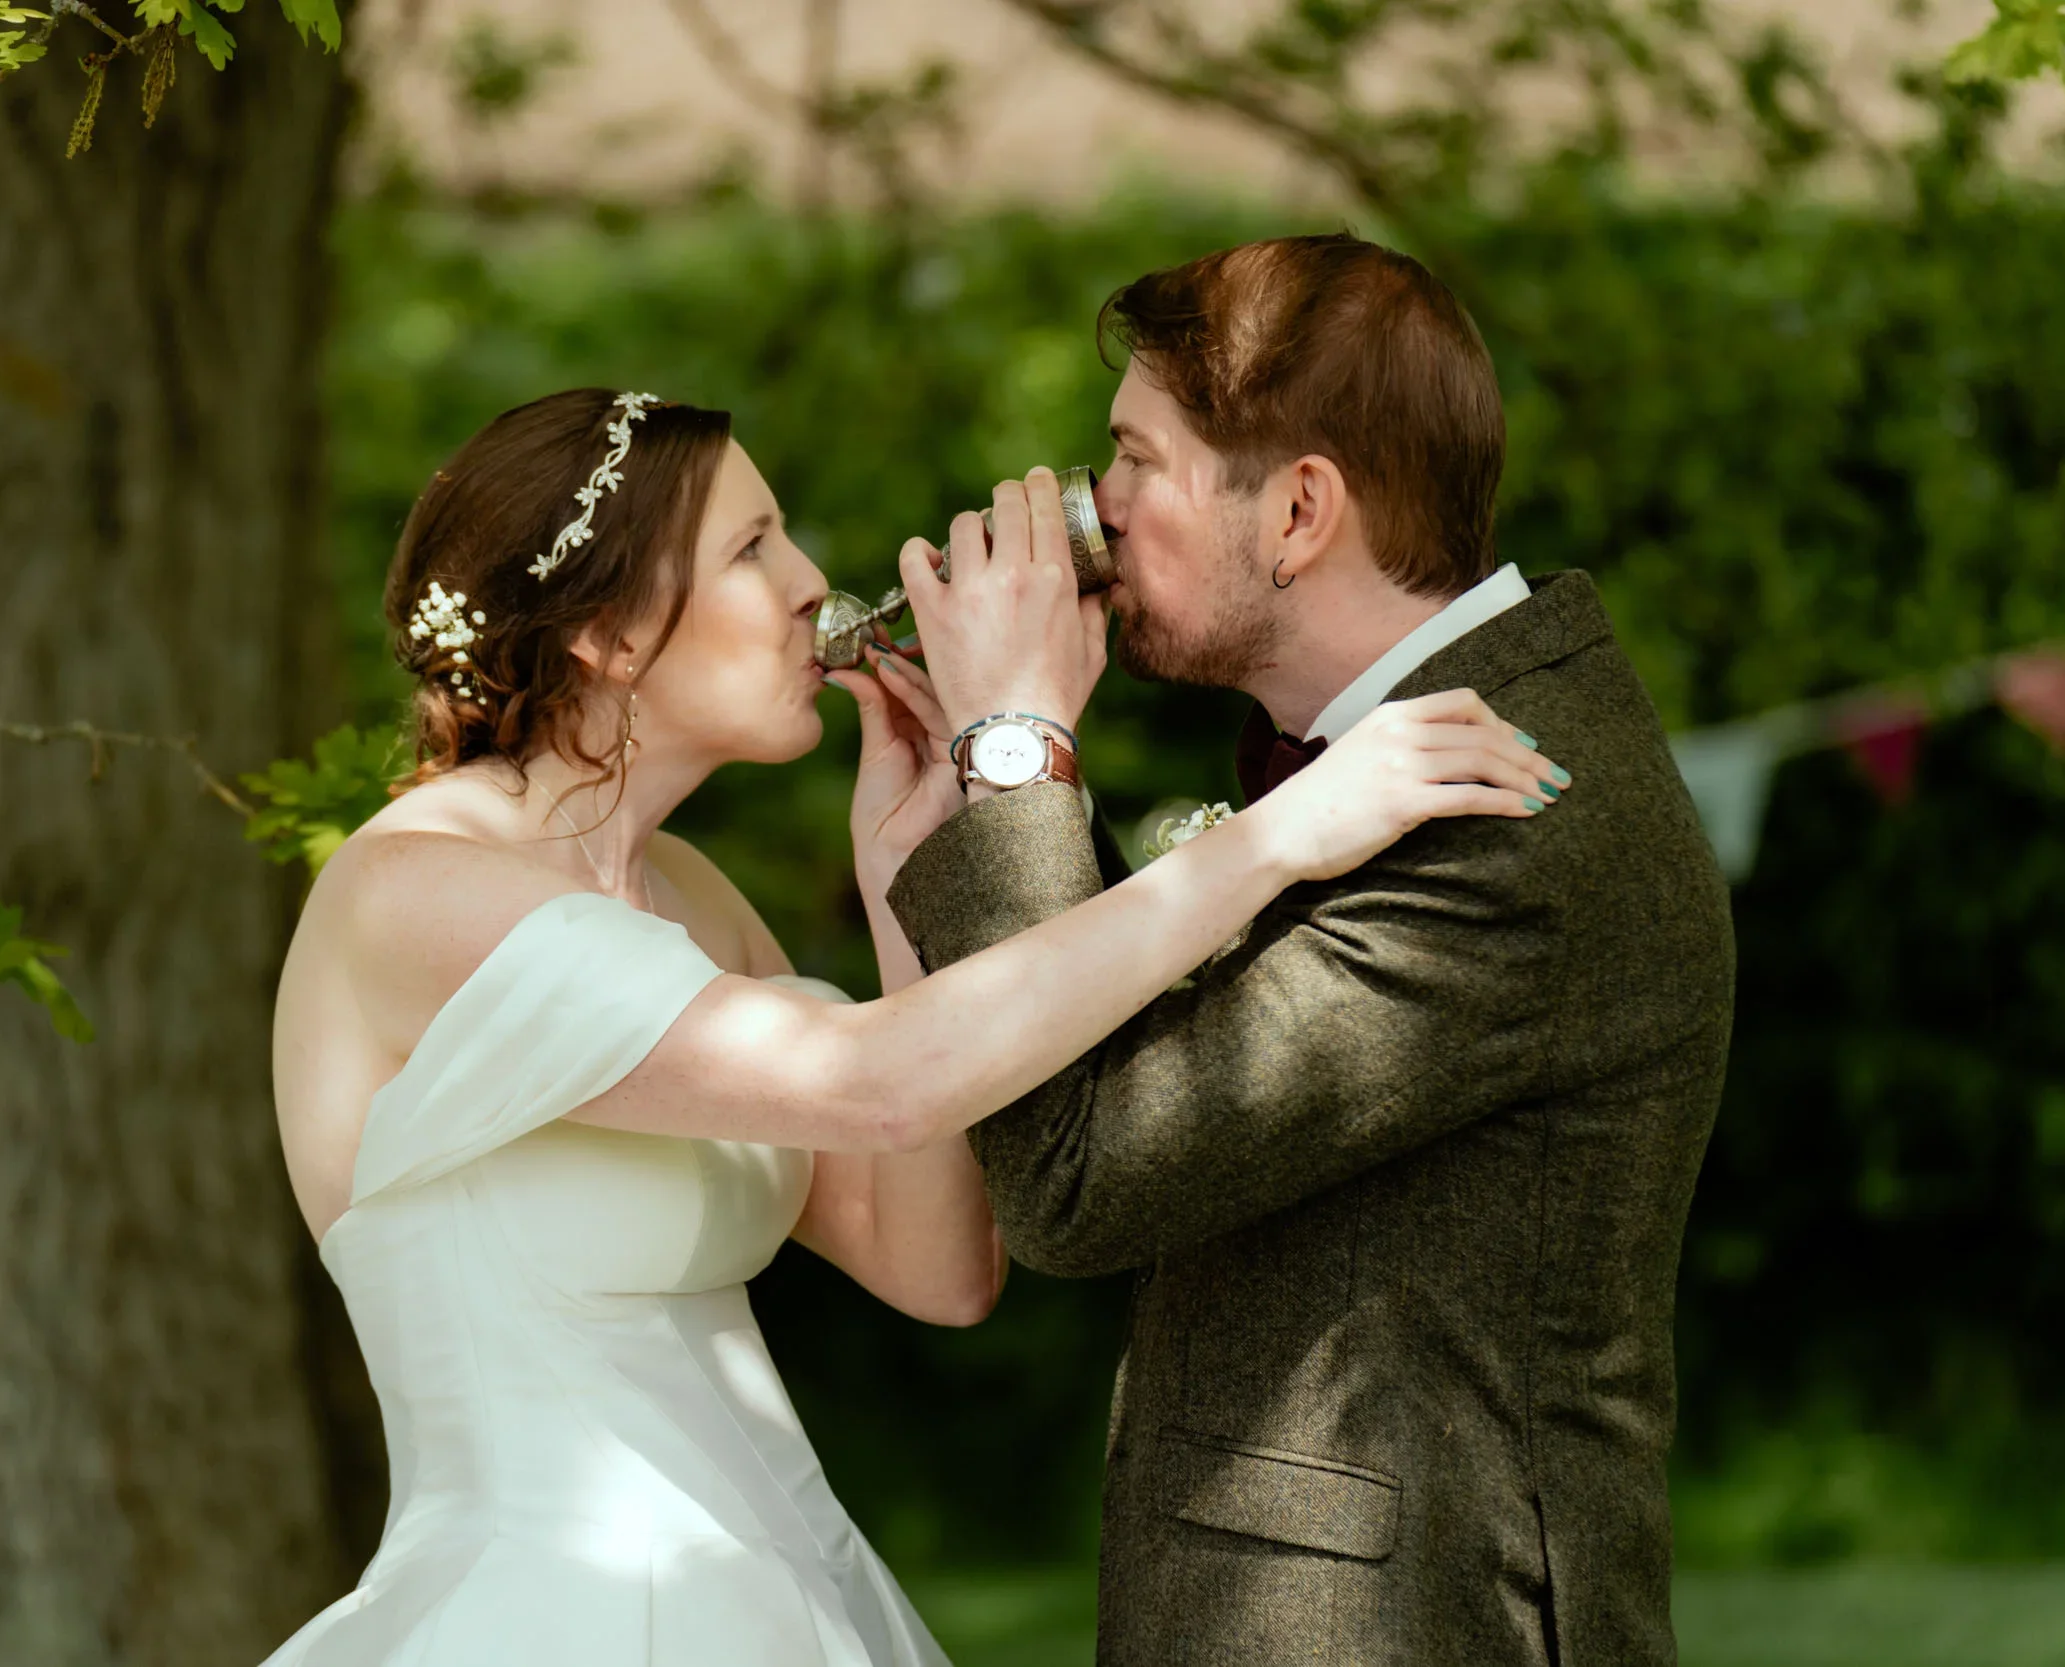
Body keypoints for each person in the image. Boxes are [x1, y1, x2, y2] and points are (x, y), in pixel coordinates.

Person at [259, 386, 1562, 1667]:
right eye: (751, 548)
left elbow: (936, 1266)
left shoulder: (688, 901)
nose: (809, 583)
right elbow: (881, 1083)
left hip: (784, 1601)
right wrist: (1278, 840)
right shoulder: (415, 891)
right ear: (606, 629)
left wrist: (900, 886)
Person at [885, 234, 1737, 1666]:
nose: (1095, 509)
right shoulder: (1410, 754)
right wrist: (970, 799)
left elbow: (1080, 1177)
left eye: (1137, 461)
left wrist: (1019, 749)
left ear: (1296, 510)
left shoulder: (1504, 814)